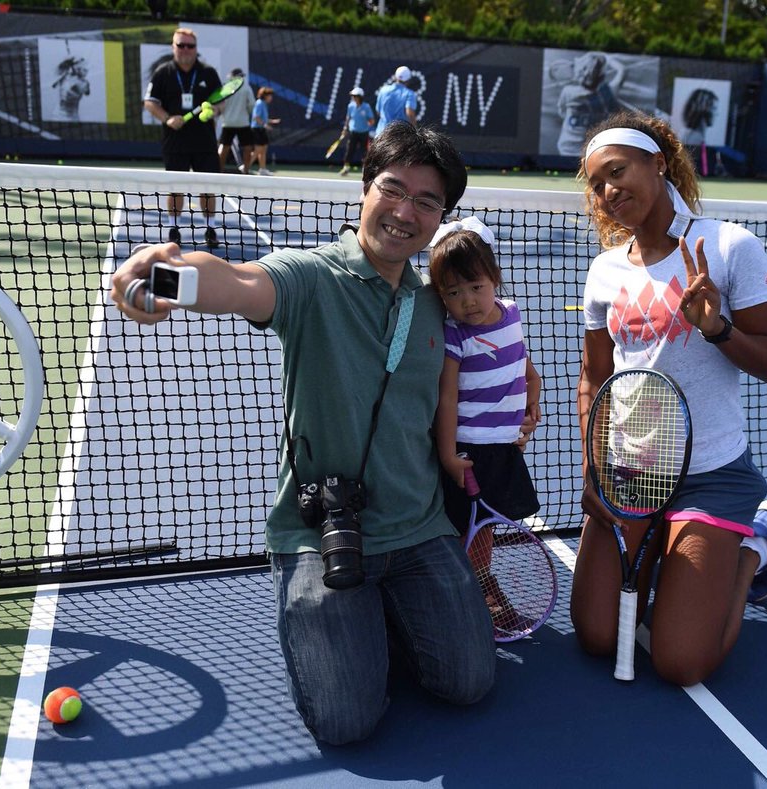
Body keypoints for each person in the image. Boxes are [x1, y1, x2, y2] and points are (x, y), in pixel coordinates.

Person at [108, 123, 497, 745]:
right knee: (346, 720)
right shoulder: (312, 277)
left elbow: (493, 353)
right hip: (322, 530)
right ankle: (331, 610)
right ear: (365, 188)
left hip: (420, 526)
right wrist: (165, 275)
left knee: (470, 681)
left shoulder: (437, 300)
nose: (405, 212)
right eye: (393, 189)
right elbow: (238, 282)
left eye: (428, 202)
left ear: (442, 216)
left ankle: (383, 615)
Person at [571, 111, 767, 687]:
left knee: (679, 662)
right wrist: (595, 466)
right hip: (632, 472)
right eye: (597, 184)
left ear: (658, 164)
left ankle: (755, 549)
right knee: (596, 635)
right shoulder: (603, 272)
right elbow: (595, 379)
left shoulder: (728, 246)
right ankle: (676, 556)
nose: (608, 191)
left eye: (617, 172)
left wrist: (717, 329)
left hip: (712, 473)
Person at [429, 216, 542, 619]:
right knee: (462, 528)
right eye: (454, 292)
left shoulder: (511, 314)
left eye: (476, 287)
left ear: (494, 278)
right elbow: (447, 398)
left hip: (504, 448)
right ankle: (464, 594)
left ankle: (478, 581)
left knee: (485, 528)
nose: (468, 301)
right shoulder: (455, 335)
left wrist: (532, 403)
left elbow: (526, 370)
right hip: (468, 452)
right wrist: (447, 456)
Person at [143, 27, 223, 249]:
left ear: (196, 48)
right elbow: (150, 102)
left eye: (190, 46)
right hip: (174, 142)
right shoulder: (163, 72)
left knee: (207, 186)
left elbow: (221, 102)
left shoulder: (208, 72)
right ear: (173, 47)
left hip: (204, 141)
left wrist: (214, 111)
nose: (186, 50)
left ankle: (210, 228)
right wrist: (168, 118)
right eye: (181, 45)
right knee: (176, 186)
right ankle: (174, 229)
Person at [555, 52, 625, 156]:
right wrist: (607, 57)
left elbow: (561, 112)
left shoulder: (568, 92)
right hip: (592, 152)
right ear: (601, 77)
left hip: (566, 148)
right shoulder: (608, 93)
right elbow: (622, 70)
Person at [217, 67, 256, 173]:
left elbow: (220, 105)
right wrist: (246, 114)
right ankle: (246, 171)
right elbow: (252, 104)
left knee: (224, 147)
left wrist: (225, 114)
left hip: (228, 122)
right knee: (247, 147)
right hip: (243, 122)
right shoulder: (247, 88)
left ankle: (218, 171)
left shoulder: (225, 88)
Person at [373, 65, 418, 138]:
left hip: (380, 134)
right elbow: (410, 114)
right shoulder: (410, 94)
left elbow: (378, 111)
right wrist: (415, 130)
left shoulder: (383, 90)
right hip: (398, 138)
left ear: (396, 77)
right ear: (408, 79)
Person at [339, 86, 375, 176]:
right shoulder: (350, 106)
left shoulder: (366, 107)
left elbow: (372, 120)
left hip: (364, 133)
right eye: (353, 96)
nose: (354, 98)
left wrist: (369, 125)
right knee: (349, 151)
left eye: (355, 96)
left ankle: (365, 171)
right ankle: (346, 168)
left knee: (365, 153)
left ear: (360, 97)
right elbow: (348, 117)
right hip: (353, 132)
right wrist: (345, 128)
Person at [249, 86, 279, 175]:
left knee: (263, 149)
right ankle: (245, 166)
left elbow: (263, 118)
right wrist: (265, 125)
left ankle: (262, 169)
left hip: (261, 129)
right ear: (265, 96)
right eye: (270, 96)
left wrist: (272, 121)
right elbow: (256, 117)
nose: (271, 98)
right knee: (258, 149)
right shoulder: (259, 103)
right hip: (257, 129)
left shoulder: (263, 104)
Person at [52, 55, 91, 122]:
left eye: (86, 70)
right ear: (77, 69)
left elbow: (87, 92)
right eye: (84, 70)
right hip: (68, 117)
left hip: (61, 116)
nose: (86, 72)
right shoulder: (82, 82)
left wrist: (67, 65)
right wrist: (67, 63)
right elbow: (87, 92)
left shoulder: (66, 77)